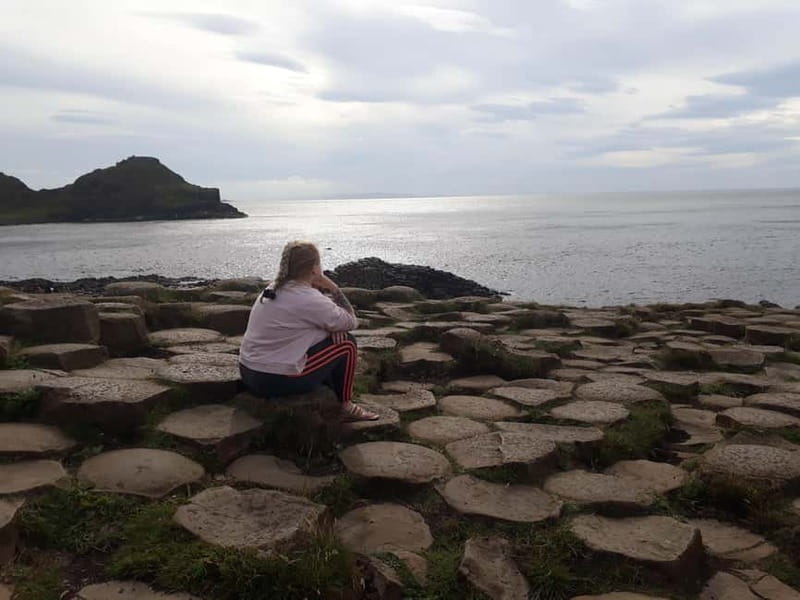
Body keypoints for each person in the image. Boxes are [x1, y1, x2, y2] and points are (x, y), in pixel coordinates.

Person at [238, 240, 380, 421]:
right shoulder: (307, 298)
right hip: (272, 379)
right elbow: (351, 321)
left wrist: (330, 330)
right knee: (346, 344)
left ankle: (329, 387)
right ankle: (345, 405)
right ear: (314, 268)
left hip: (248, 372)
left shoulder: (273, 288)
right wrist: (334, 289)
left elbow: (304, 324)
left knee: (333, 338)